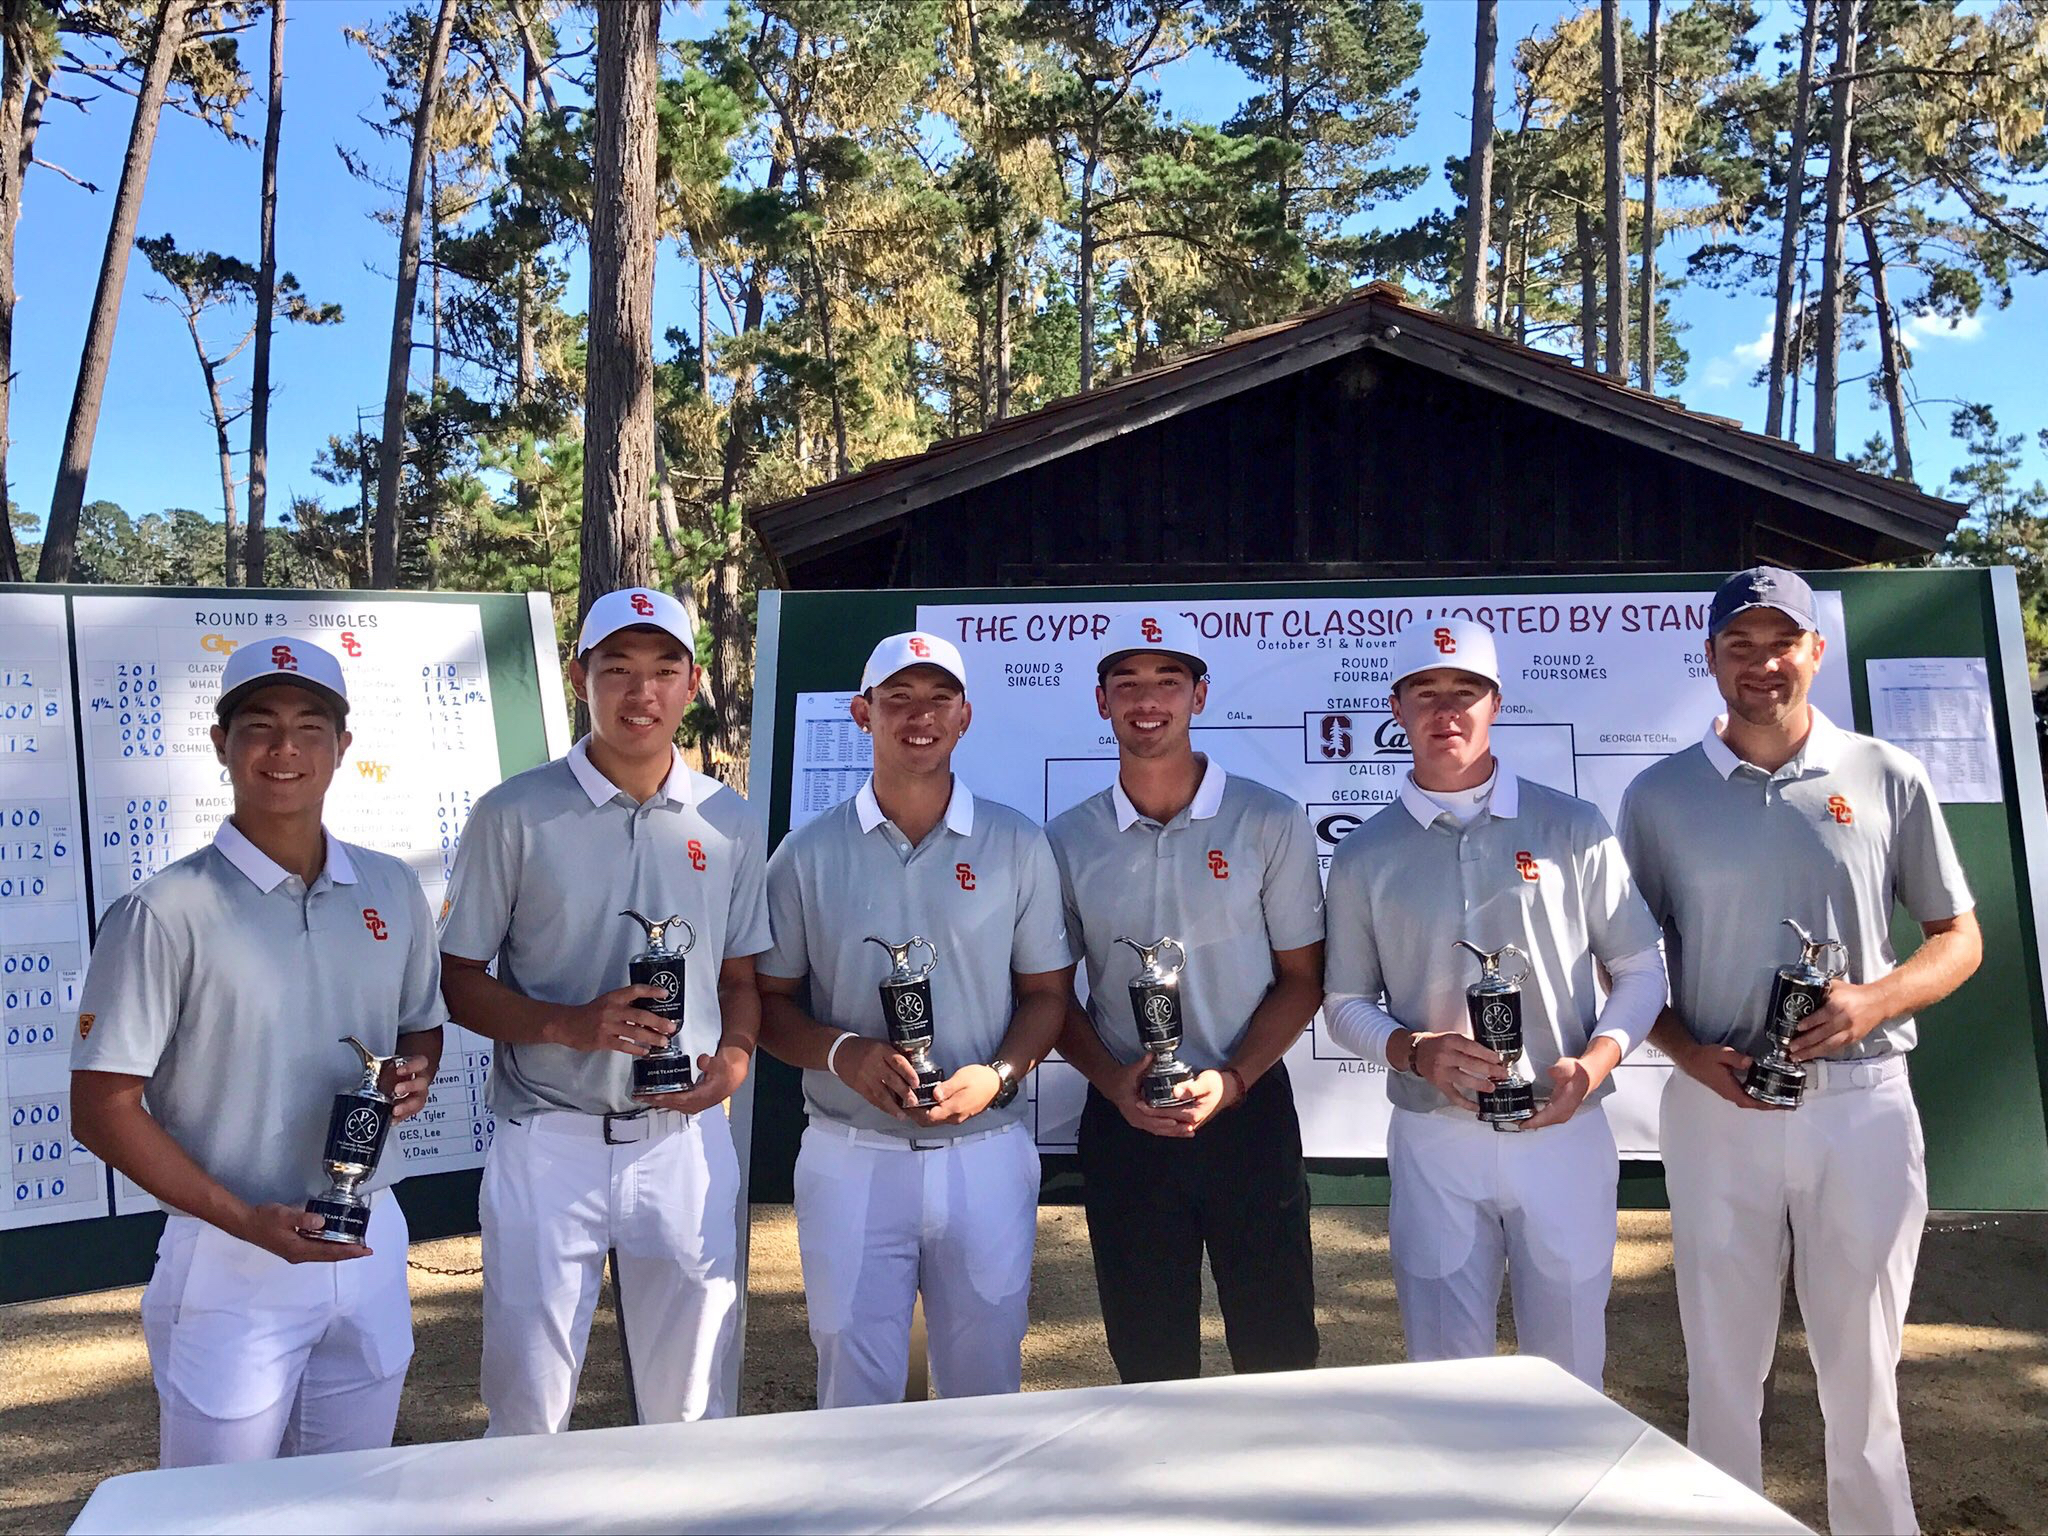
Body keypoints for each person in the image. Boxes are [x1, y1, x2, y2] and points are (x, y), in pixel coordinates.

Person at [1619, 567, 1980, 1535]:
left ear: (1814, 652)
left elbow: (1958, 938)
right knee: (1719, 1371)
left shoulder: (1884, 775)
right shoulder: (1656, 796)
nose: (1760, 663)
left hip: (1859, 1102)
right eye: (1737, 645)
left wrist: (1873, 999)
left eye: (1779, 642)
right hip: (1716, 1106)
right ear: (1708, 660)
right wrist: (1686, 1054)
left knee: (1861, 1375)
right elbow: (1620, 965)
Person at [71, 637, 444, 1467]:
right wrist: (244, 1220)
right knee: (216, 1516)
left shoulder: (391, 888)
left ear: (342, 748)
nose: (285, 748)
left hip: (370, 1234)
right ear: (221, 745)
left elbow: (421, 1022)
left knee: (352, 1501)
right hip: (232, 1255)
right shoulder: (162, 911)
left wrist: (416, 1073)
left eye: (311, 726)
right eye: (259, 725)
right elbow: (101, 1109)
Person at [437, 586, 770, 1435]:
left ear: (693, 683)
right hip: (549, 1140)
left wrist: (732, 1062)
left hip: (684, 1143)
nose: (641, 692)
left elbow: (739, 979)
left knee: (693, 1409)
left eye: (663, 670)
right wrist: (566, 1024)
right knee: (527, 1408)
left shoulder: (727, 820)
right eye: (617, 668)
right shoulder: (513, 813)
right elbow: (458, 977)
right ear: (580, 675)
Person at [1321, 618, 1665, 1390]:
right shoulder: (1365, 850)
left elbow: (1641, 972)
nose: (1447, 711)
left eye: (1465, 692)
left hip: (1564, 1126)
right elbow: (1344, 1001)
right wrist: (1414, 1051)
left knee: (1571, 1371)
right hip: (1434, 1135)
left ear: (1496, 702)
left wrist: (1597, 1060)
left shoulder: (1572, 826)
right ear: (1397, 706)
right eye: (1426, 693)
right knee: (1445, 1378)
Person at [755, 632, 1074, 1407]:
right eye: (898, 699)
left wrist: (996, 1076)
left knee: (985, 1385)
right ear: (863, 714)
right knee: (855, 1382)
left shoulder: (1016, 843)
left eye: (938, 699)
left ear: (966, 716)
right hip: (851, 1152)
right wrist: (843, 1054)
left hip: (986, 1150)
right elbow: (768, 1007)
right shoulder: (806, 853)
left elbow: (1047, 997)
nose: (919, 716)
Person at [1045, 613, 1325, 1382]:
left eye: (1168, 681)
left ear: (1199, 694)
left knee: (1278, 1355)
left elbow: (1303, 978)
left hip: (1249, 1112)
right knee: (1148, 1358)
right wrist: (1112, 1082)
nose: (1148, 700)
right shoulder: (1067, 839)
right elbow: (1046, 993)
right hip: (1125, 1120)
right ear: (1101, 701)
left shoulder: (1269, 820)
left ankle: (1279, 1503)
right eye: (1127, 683)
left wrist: (1234, 1079)